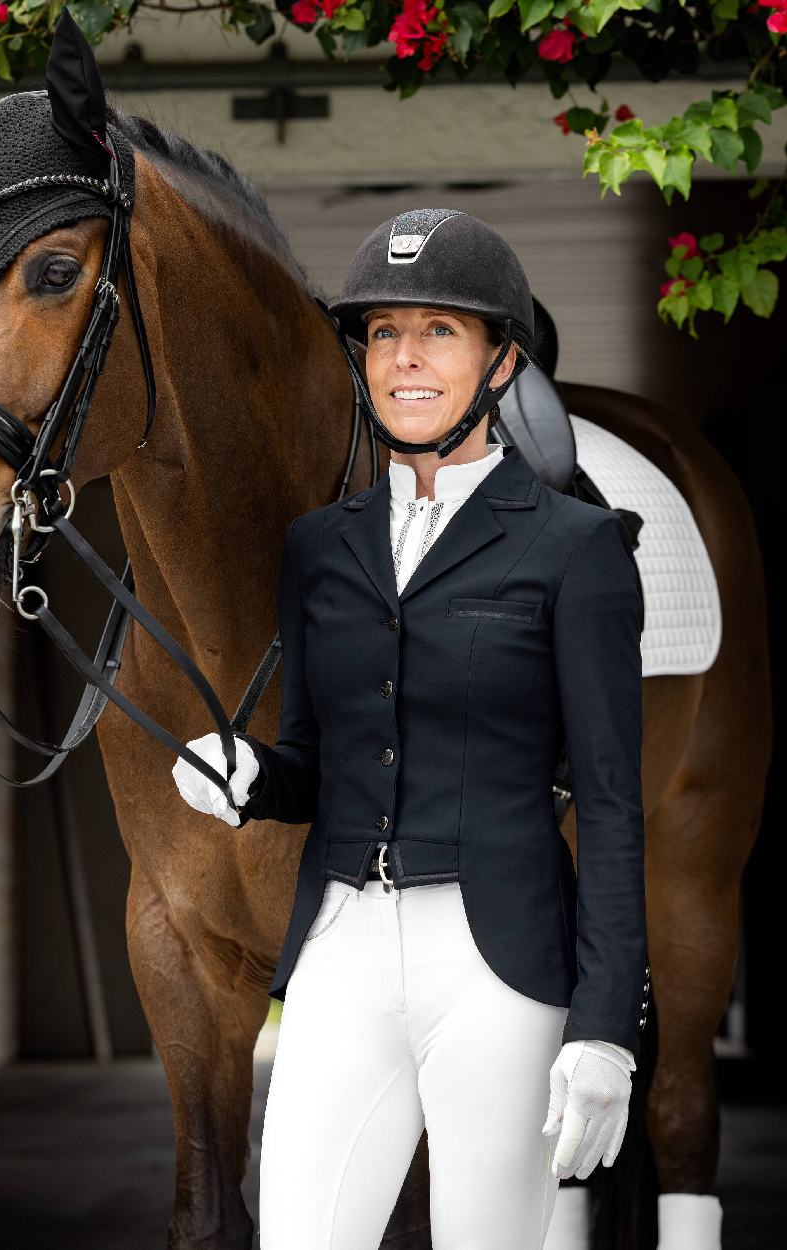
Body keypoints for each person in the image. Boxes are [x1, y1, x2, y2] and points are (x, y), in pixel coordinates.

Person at [172, 208, 649, 1250]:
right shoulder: (317, 548)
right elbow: (317, 758)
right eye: (384, 331)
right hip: (340, 949)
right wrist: (250, 771)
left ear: (501, 358)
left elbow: (612, 803)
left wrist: (606, 1025)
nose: (405, 357)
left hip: (500, 963)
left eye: (439, 328)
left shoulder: (576, 548)